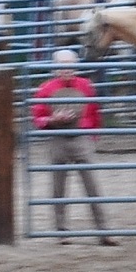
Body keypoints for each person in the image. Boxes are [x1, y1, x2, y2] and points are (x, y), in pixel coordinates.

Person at [31, 49, 118, 246]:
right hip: (57, 138)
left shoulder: (86, 86)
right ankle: (62, 231)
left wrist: (93, 136)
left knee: (92, 185)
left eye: (70, 65)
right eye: (62, 65)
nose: (67, 69)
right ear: (55, 68)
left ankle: (103, 230)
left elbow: (95, 112)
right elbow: (37, 117)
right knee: (58, 186)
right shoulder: (45, 89)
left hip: (81, 137)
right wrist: (53, 119)